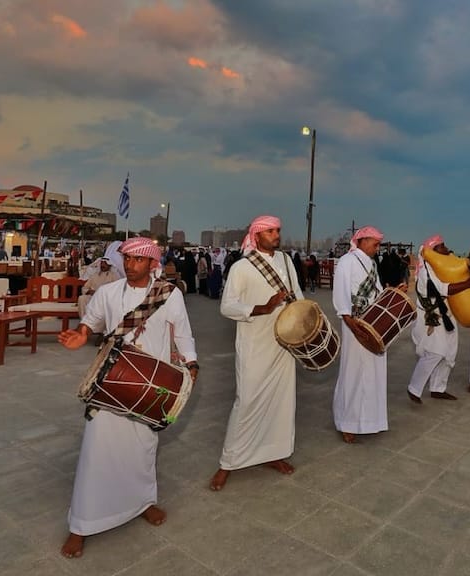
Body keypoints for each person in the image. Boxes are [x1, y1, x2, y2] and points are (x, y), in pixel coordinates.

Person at [57, 237, 198, 559]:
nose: (130, 265)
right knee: (97, 451)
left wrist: (191, 362)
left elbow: (183, 332)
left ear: (152, 263)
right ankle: (82, 524)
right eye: (127, 259)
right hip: (114, 381)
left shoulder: (169, 294)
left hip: (150, 384)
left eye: (137, 260)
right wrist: (80, 335)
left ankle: (142, 502)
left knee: (143, 448)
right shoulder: (107, 293)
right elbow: (89, 324)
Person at [211, 216, 304, 491]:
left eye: (278, 231)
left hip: (284, 342)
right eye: (271, 231)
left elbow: (297, 295)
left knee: (281, 400)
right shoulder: (242, 267)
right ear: (257, 235)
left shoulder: (286, 262)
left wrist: (305, 321)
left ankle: (273, 454)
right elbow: (227, 306)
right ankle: (228, 462)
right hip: (255, 342)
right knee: (247, 400)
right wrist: (261, 308)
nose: (276, 235)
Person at [333, 226, 391, 443]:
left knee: (373, 373)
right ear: (362, 241)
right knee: (353, 372)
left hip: (373, 324)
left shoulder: (372, 264)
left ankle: (370, 421)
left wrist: (393, 293)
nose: (378, 247)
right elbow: (341, 292)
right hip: (355, 324)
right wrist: (349, 321)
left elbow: (376, 293)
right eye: (374, 243)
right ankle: (346, 422)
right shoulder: (347, 262)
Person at [408, 235, 470, 403]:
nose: (446, 248)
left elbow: (460, 277)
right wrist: (469, 283)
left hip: (447, 316)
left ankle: (438, 388)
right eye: (441, 246)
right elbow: (441, 289)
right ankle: (414, 388)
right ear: (433, 251)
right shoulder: (426, 271)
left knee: (449, 353)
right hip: (431, 317)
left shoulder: (444, 266)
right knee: (435, 352)